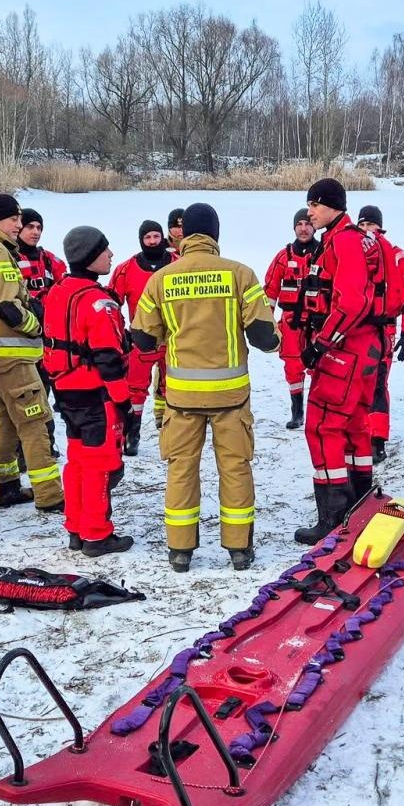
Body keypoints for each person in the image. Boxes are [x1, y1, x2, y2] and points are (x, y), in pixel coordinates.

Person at [130, 203, 279, 572]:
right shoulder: (240, 274)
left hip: (181, 398)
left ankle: (180, 552)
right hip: (231, 396)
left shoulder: (161, 279)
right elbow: (263, 337)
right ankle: (239, 549)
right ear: (215, 234)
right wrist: (275, 340)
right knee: (235, 467)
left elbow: (143, 341)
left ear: (180, 236)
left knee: (181, 469)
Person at [294, 178, 386, 544]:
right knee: (354, 425)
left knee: (322, 427)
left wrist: (321, 343)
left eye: (314, 205)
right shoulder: (356, 239)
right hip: (365, 347)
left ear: (331, 206)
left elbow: (350, 302)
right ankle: (359, 500)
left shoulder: (344, 242)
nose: (309, 213)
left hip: (346, 349)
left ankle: (332, 514)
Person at [0, 194, 63, 511]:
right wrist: (37, 326)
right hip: (13, 354)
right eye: (14, 220)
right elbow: (7, 305)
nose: (19, 226)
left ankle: (4, 488)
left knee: (5, 422)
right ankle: (50, 495)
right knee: (35, 423)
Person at [43, 226, 134, 557]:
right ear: (89, 257)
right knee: (100, 464)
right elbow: (109, 360)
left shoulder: (58, 291)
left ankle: (76, 528)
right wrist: (125, 405)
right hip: (96, 395)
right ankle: (97, 535)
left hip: (66, 393)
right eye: (105, 250)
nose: (111, 255)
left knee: (77, 460)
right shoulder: (99, 302)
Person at [107, 220, 177, 454]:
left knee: (175, 387)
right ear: (141, 240)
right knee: (135, 389)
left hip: (173, 339)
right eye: (148, 238)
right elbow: (111, 305)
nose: (153, 242)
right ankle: (132, 433)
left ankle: (173, 433)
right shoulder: (126, 269)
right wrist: (121, 334)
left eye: (156, 236)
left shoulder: (178, 265)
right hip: (141, 340)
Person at [356, 205, 404, 464]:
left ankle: (377, 440)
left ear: (380, 228)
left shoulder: (395, 254)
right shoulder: (351, 252)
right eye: (363, 226)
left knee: (378, 384)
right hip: (356, 329)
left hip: (385, 330)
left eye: (372, 225)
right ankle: (358, 435)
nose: (368, 230)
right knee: (355, 384)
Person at [262, 208, 320, 430]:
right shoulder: (283, 257)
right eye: (299, 224)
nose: (304, 229)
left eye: (307, 224)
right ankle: (297, 413)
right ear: (294, 227)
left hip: (317, 322)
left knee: (320, 369)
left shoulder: (324, 253)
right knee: (293, 368)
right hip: (291, 324)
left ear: (314, 226)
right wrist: (268, 324)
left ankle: (317, 412)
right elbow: (270, 292)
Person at [15, 208, 67, 311]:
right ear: (19, 228)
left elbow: (65, 288)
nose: (36, 232)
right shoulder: (8, 257)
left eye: (39, 228)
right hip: (22, 319)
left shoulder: (48, 258)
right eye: (30, 227)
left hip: (49, 317)